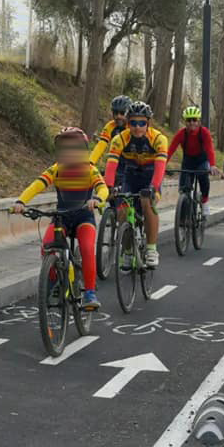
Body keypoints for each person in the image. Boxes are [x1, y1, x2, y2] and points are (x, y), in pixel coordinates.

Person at [13, 127, 108, 311]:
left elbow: (103, 188)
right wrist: (21, 201)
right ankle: (55, 282)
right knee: (47, 246)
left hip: (84, 217)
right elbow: (37, 185)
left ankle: (89, 292)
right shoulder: (56, 169)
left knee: (88, 248)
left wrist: (97, 200)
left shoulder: (90, 169)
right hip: (61, 217)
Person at [105, 101, 168, 268]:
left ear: (148, 123)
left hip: (151, 176)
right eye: (133, 123)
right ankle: (127, 252)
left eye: (142, 123)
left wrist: (154, 187)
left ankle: (152, 249)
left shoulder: (159, 139)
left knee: (147, 202)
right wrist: (109, 187)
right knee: (123, 211)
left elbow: (160, 167)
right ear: (128, 123)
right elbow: (111, 165)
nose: (137, 127)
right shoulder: (119, 139)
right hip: (130, 175)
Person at [167, 106, 220, 216]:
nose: (192, 123)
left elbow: (210, 149)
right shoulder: (181, 134)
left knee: (203, 177)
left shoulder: (204, 132)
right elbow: (170, 150)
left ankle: (205, 201)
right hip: (188, 161)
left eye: (194, 120)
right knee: (183, 188)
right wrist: (163, 164)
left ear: (198, 121)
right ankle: (184, 214)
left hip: (202, 160)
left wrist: (213, 165)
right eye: (189, 120)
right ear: (185, 122)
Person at [89, 95, 132, 165]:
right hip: (117, 163)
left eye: (122, 113)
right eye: (115, 113)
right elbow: (101, 145)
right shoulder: (110, 126)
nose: (118, 116)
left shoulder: (134, 127)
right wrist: (90, 162)